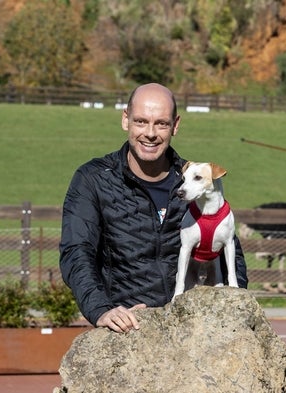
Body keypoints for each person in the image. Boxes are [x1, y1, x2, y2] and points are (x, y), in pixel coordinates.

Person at [59, 83, 248, 333]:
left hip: (190, 327)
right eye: (140, 121)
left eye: (161, 123)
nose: (150, 133)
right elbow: (76, 251)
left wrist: (230, 307)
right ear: (125, 120)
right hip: (126, 325)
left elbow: (230, 254)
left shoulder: (197, 183)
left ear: (175, 125)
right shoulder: (93, 179)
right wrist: (102, 309)